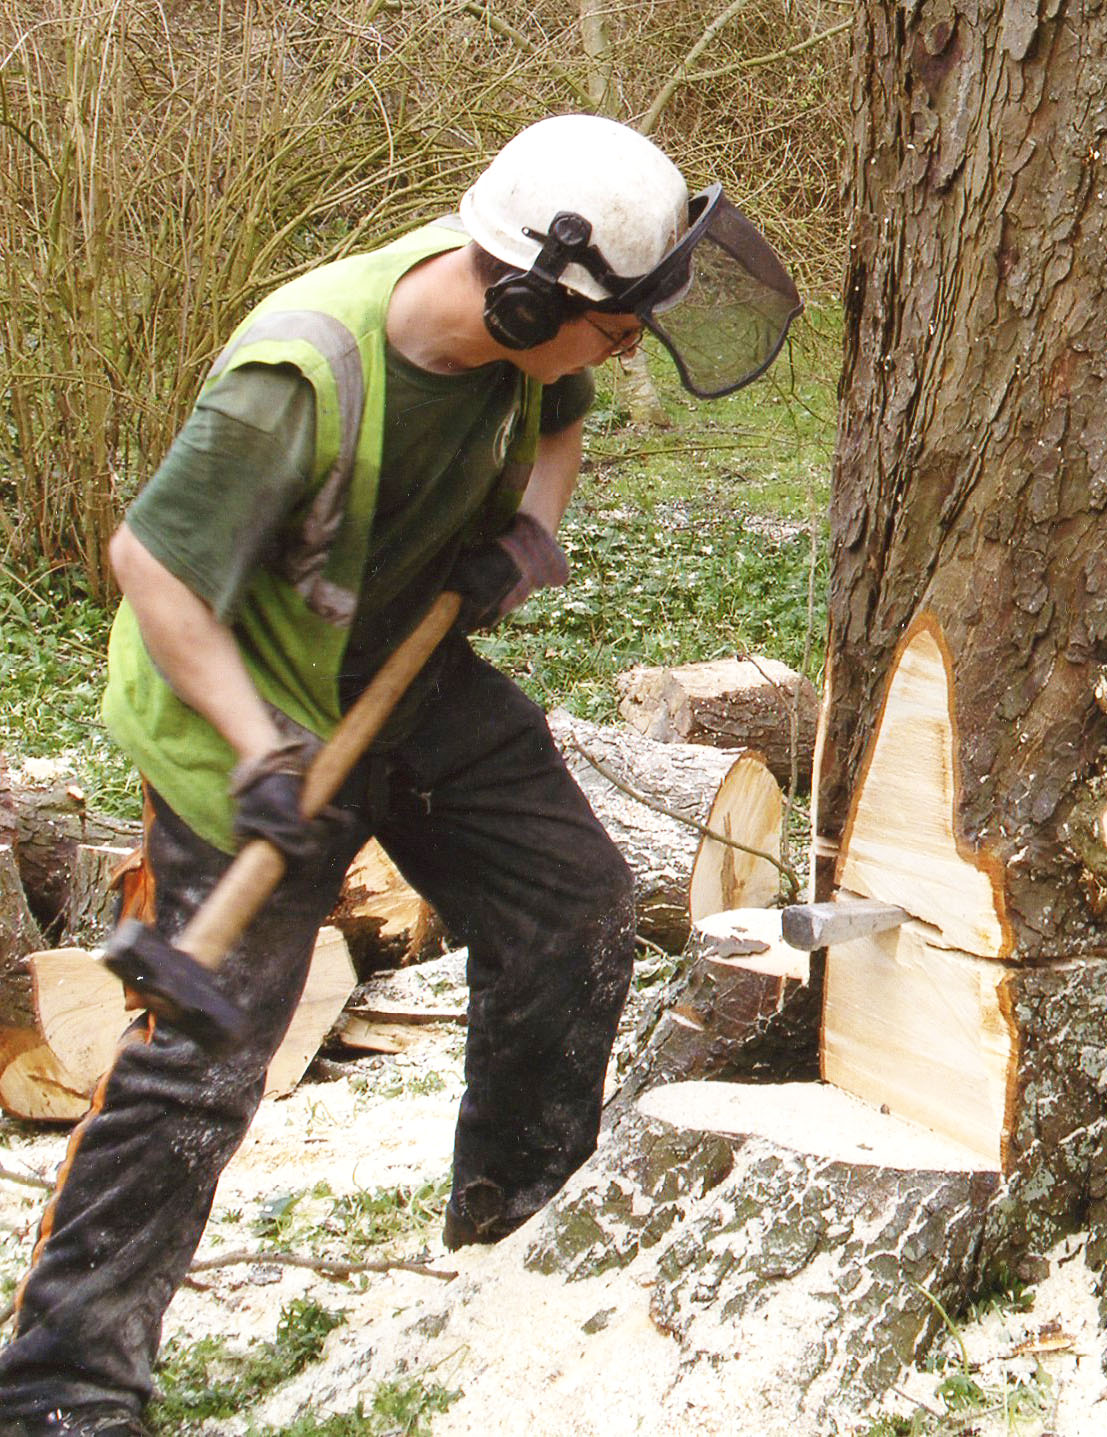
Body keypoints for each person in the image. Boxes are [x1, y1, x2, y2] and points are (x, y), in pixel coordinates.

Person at [0, 113, 801, 1437]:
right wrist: (261, 754)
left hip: (402, 671)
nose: (623, 346)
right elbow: (151, 572)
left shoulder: (526, 330)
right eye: (611, 323)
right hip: (242, 702)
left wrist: (525, 534)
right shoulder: (300, 374)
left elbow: (564, 408)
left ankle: (515, 1224)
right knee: (203, 1058)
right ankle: (62, 1387)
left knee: (574, 907)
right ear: (529, 289)